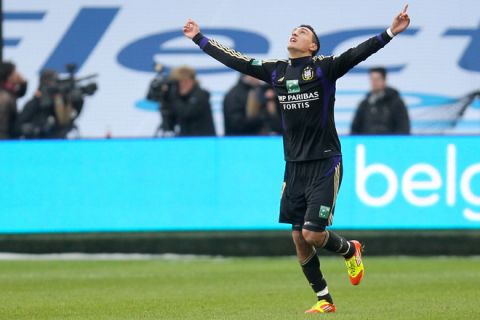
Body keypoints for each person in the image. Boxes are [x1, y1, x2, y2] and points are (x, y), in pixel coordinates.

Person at [183, 4, 410, 314]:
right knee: (298, 239)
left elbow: (357, 53)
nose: (295, 33)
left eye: (303, 32)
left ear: (313, 45)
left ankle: (350, 249)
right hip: (294, 166)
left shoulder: (324, 68)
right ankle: (324, 300)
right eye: (294, 30)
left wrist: (389, 33)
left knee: (312, 233)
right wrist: (199, 38)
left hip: (325, 161)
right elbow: (235, 60)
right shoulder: (276, 70)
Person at [16, 70, 82, 139]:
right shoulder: (34, 104)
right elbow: (17, 127)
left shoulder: (59, 103)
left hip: (58, 142)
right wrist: (34, 128)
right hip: (38, 143)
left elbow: (70, 118)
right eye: (52, 82)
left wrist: (79, 100)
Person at [351, 67, 410, 134]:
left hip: (390, 142)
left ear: (384, 80)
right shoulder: (365, 104)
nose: (374, 82)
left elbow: (403, 127)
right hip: (368, 142)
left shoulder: (396, 103)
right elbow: (355, 128)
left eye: (377, 79)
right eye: (372, 79)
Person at [160, 66, 216, 137]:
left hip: (203, 141)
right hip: (185, 141)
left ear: (192, 81)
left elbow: (186, 112)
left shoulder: (200, 95)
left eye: (186, 81)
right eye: (180, 82)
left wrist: (173, 97)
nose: (183, 85)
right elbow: (170, 124)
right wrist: (165, 100)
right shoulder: (180, 99)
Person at [0, 62, 28, 139]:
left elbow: (19, 94)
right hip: (4, 138)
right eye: (15, 72)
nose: (18, 74)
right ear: (8, 76)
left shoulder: (8, 91)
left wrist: (24, 83)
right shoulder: (4, 96)